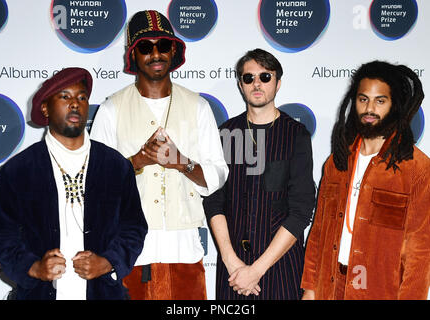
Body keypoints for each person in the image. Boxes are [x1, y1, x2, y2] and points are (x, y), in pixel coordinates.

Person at [90, 10, 228, 300]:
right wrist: (137, 161)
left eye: (163, 45)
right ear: (133, 55)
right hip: (129, 253)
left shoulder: (198, 107)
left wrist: (183, 163)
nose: (155, 53)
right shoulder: (111, 110)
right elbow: (95, 182)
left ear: (174, 50)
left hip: (185, 251)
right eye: (145, 46)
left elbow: (217, 174)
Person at [0, 67, 148, 300]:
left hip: (104, 294)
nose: (75, 103)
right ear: (45, 107)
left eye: (82, 97)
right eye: (65, 96)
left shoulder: (115, 166)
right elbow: (2, 237)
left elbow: (134, 228)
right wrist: (34, 268)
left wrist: (107, 263)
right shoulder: (18, 171)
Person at [301, 61, 430, 300]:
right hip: (330, 286)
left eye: (380, 101)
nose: (370, 108)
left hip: (379, 291)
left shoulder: (417, 169)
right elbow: (318, 232)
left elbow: (418, 253)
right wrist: (310, 288)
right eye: (363, 99)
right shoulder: (337, 162)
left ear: (394, 106)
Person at [203, 48, 316, 300]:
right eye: (249, 77)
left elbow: (300, 211)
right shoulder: (225, 133)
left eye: (265, 77)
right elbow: (213, 200)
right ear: (240, 85)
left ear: (277, 84)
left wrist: (257, 270)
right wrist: (231, 262)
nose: (257, 84)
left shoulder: (295, 135)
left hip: (281, 270)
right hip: (233, 273)